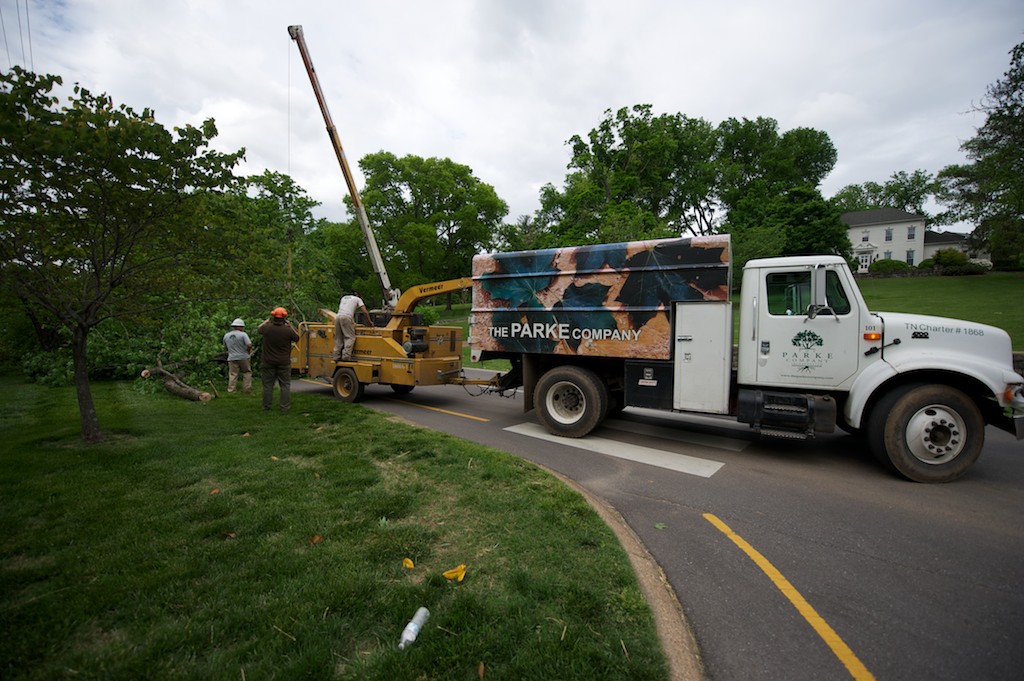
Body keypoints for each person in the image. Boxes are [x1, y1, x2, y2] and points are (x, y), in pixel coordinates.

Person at [257, 307, 300, 412]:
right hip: (283, 362)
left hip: (268, 361)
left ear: (273, 317)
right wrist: (290, 325)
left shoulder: (267, 328)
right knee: (285, 385)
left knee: (267, 385)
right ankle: (284, 407)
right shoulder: (288, 330)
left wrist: (265, 322)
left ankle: (266, 407)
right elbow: (297, 338)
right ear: (284, 318)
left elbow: (258, 329)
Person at [334, 291, 373, 361]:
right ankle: (346, 356)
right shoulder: (357, 299)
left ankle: (336, 356)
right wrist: (369, 322)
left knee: (338, 338)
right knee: (350, 337)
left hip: (337, 317)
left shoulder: (344, 298)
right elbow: (364, 311)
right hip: (346, 317)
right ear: (358, 296)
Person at [222, 317, 253, 393]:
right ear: (240, 326)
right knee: (246, 372)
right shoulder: (243, 335)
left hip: (232, 357)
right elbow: (249, 344)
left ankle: (231, 390)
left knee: (233, 374)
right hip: (243, 357)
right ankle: (246, 389)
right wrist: (248, 351)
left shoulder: (227, 335)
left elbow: (225, 346)